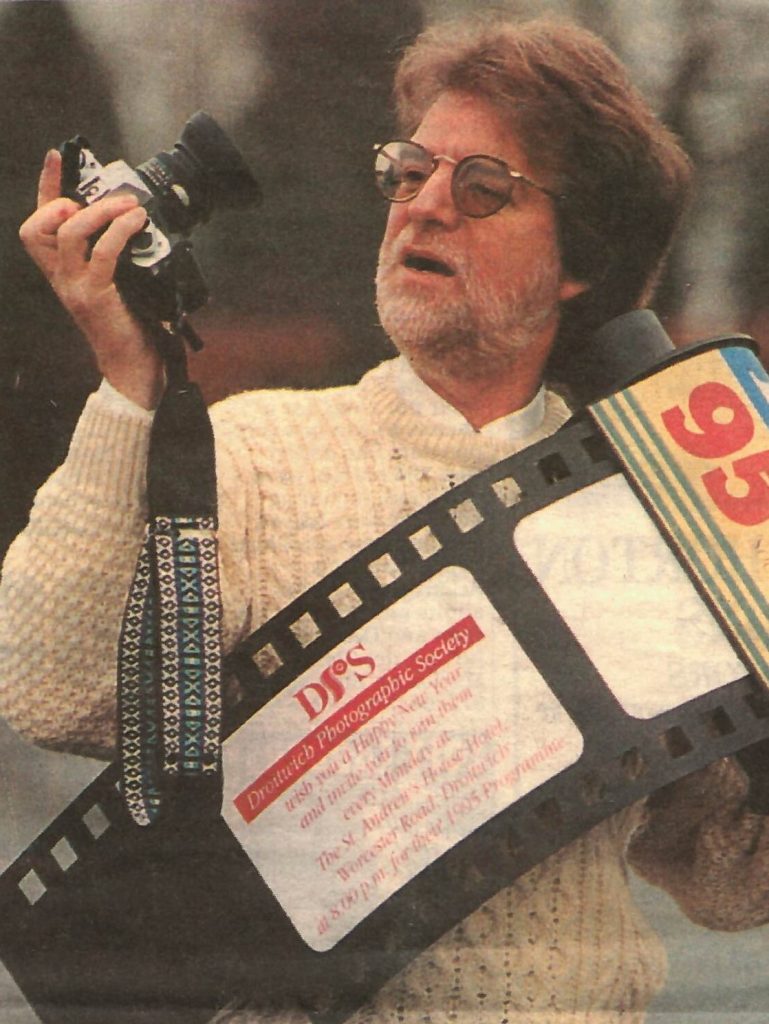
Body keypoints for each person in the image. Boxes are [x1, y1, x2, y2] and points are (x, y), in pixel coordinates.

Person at [2, 14, 769, 1024]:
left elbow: (726, 882)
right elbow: (52, 689)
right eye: (409, 172)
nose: (424, 207)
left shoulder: (654, 493)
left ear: (578, 258)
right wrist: (129, 389)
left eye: (481, 186)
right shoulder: (259, 449)